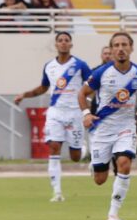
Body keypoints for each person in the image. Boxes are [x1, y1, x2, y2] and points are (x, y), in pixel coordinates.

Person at [79, 32, 137, 220]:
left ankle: (113, 214)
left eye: (124, 44)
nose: (120, 48)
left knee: (124, 164)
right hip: (103, 130)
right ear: (111, 50)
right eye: (116, 45)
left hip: (126, 127)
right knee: (100, 179)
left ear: (131, 48)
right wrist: (86, 114)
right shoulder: (101, 73)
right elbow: (82, 93)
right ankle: (95, 164)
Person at [13, 32, 89, 202]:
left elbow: (91, 85)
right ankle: (57, 192)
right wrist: (24, 94)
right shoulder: (49, 66)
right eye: (60, 40)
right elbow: (43, 88)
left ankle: (82, 148)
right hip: (56, 112)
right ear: (56, 45)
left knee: (75, 157)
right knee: (54, 146)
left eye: (66, 40)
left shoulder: (80, 65)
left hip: (75, 112)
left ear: (71, 44)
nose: (63, 43)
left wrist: (87, 103)